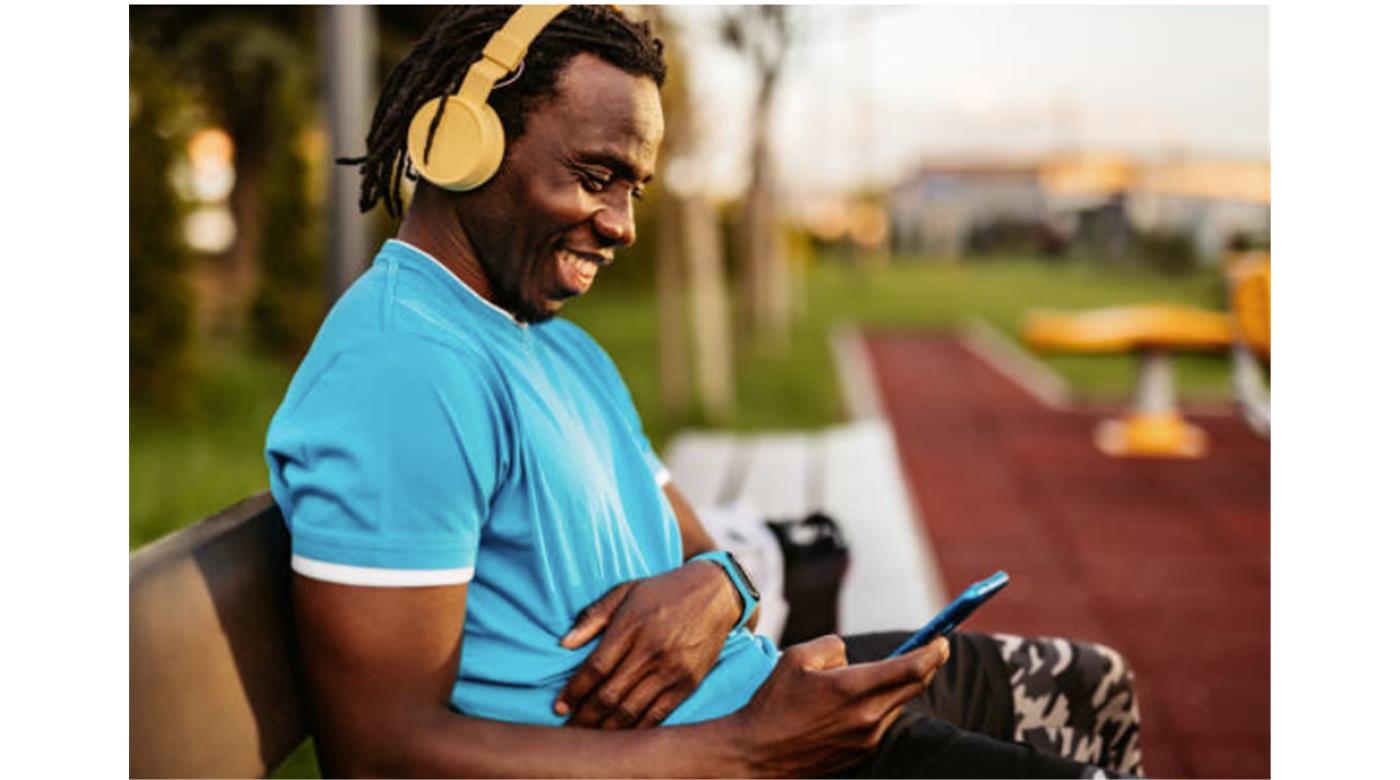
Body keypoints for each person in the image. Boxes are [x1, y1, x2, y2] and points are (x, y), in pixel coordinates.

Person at [265, 6, 1142, 778]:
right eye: (596, 173)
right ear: (460, 143)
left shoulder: (559, 349)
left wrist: (720, 585)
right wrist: (750, 754)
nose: (622, 223)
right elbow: (382, 758)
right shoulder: (398, 373)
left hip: (753, 711)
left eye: (634, 186)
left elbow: (704, 550)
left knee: (1092, 681)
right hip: (733, 757)